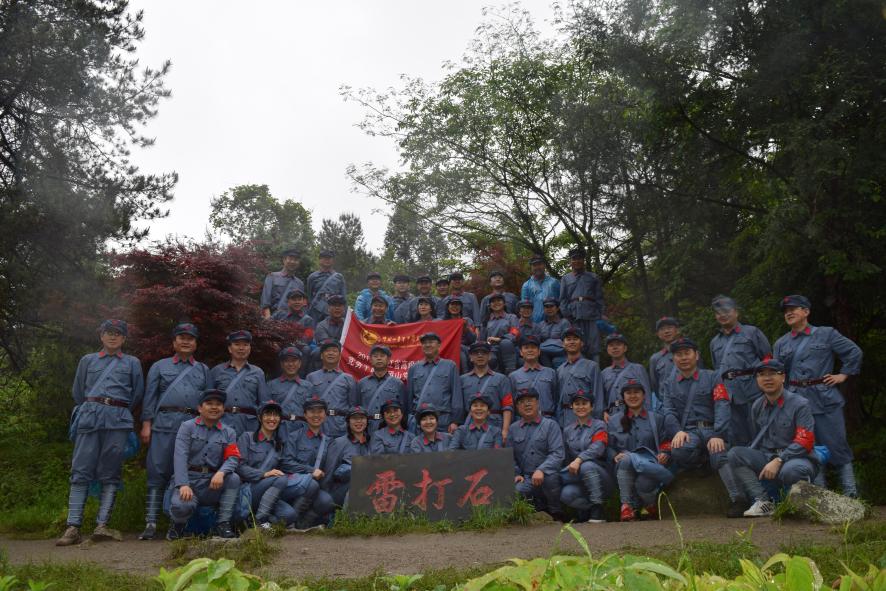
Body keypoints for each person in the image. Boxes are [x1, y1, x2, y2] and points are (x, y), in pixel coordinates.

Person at [58, 319, 145, 547]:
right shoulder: (87, 360)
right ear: (101, 336)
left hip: (118, 420)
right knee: (80, 470)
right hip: (89, 418)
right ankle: (73, 527)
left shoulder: (132, 363)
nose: (113, 336)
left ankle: (102, 525)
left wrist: (116, 408)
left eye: (118, 333)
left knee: (111, 471)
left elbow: (137, 394)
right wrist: (94, 406)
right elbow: (78, 392)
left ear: (124, 338)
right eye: (109, 332)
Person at [773, 294, 863, 497]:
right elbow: (779, 375)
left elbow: (854, 352)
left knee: (837, 445)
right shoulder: (781, 343)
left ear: (806, 311)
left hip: (825, 399)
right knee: (807, 447)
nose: (789, 313)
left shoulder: (826, 334)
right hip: (796, 401)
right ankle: (820, 495)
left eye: (793, 309)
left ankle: (851, 494)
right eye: (786, 311)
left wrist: (843, 375)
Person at [139, 322, 210, 541]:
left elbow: (208, 402)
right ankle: (151, 523)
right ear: (174, 342)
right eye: (182, 337)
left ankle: (176, 523)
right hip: (164, 425)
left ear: (196, 343)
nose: (186, 341)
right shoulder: (160, 366)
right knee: (157, 471)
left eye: (190, 338)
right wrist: (146, 424)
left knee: (185, 472)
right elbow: (150, 397)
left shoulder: (203, 370)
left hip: (192, 427)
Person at [660, 338, 745, 517]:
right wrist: (677, 431)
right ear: (673, 358)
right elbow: (668, 411)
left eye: (687, 353)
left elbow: (722, 404)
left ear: (696, 355)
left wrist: (718, 433)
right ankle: (702, 462)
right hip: (688, 431)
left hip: (712, 429)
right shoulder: (669, 384)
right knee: (679, 450)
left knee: (719, 452)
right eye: (679, 354)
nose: (684, 358)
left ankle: (738, 499)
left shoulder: (713, 376)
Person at [727, 358, 818, 517]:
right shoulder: (757, 406)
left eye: (772, 373)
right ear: (757, 380)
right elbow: (757, 438)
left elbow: (805, 441)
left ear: (783, 377)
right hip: (768, 457)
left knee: (791, 471)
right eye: (762, 374)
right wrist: (767, 460)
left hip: (797, 458)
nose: (767, 378)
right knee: (735, 454)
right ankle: (763, 501)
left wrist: (779, 460)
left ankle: (801, 501)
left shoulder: (800, 404)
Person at [166, 388, 241, 540]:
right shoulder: (187, 427)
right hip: (190, 481)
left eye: (218, 404)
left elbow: (233, 458)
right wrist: (183, 484)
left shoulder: (229, 432)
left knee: (233, 478)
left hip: (212, 483)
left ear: (223, 409)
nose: (214, 407)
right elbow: (180, 456)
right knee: (181, 506)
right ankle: (178, 524)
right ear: (200, 408)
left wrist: (221, 473)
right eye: (209, 403)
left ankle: (223, 523)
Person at [607, 380, 678, 522]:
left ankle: (648, 505)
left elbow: (666, 441)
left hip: (649, 466)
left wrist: (665, 453)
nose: (633, 396)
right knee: (627, 458)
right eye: (628, 393)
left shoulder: (656, 418)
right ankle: (627, 506)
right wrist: (614, 455)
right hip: (623, 467)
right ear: (623, 397)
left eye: (636, 392)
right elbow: (608, 446)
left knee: (643, 483)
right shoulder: (614, 421)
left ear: (644, 395)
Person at [709, 295, 771, 446]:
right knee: (738, 437)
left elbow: (768, 360)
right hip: (729, 396)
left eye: (726, 311)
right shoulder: (715, 342)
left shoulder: (752, 332)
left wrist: (767, 387)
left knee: (761, 432)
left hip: (753, 391)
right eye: (718, 313)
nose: (723, 315)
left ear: (736, 312)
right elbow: (717, 369)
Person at [507, 388, 565, 521]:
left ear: (538, 403)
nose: (527, 404)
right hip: (526, 477)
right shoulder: (513, 429)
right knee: (517, 491)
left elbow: (557, 453)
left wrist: (541, 469)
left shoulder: (551, 425)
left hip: (547, 475)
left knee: (550, 478)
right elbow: (510, 456)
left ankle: (556, 512)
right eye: (522, 402)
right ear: (517, 407)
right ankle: (534, 511)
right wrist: (517, 474)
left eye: (530, 400)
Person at [279, 396, 336, 530]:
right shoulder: (294, 436)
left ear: (325, 415)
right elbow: (286, 463)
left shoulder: (329, 441)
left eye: (320, 411)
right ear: (305, 414)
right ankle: (291, 523)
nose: (316, 415)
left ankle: (303, 523)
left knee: (327, 501)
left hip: (314, 487)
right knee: (311, 484)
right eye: (312, 411)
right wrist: (310, 471)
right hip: (293, 484)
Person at [236, 400, 295, 530]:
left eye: (276, 415)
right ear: (259, 417)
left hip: (268, 493)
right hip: (248, 490)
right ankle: (260, 520)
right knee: (281, 478)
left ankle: (253, 521)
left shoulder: (279, 445)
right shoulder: (247, 437)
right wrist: (264, 474)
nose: (272, 419)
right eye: (268, 414)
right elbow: (239, 467)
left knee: (289, 515)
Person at [559, 391, 612, 523]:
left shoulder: (600, 425)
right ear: (572, 407)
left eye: (584, 403)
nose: (580, 407)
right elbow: (566, 456)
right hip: (579, 477)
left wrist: (578, 460)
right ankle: (587, 509)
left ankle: (598, 509)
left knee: (586, 465)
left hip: (601, 476)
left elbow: (598, 448)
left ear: (592, 406)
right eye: (577, 404)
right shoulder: (567, 430)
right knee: (565, 494)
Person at [209, 330, 269, 436]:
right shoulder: (217, 371)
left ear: (249, 348)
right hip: (221, 422)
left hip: (249, 427)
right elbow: (207, 401)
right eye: (237, 344)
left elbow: (264, 403)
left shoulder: (258, 372)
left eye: (245, 345)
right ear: (230, 348)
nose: (241, 348)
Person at [406, 332, 463, 433]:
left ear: (439, 345)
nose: (427, 345)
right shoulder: (414, 368)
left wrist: (455, 421)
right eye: (424, 343)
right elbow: (409, 397)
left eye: (431, 342)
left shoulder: (450, 366)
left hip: (443, 419)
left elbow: (456, 395)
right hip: (420, 420)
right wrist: (410, 418)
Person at [304, 339, 358, 438]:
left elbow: (353, 406)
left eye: (334, 351)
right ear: (321, 355)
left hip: (341, 428)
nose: (331, 353)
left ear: (339, 356)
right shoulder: (311, 377)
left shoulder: (348, 378)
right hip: (317, 426)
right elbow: (307, 404)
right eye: (327, 351)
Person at [559, 247, 605, 360]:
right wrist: (567, 315)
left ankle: (595, 368)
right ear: (570, 261)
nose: (577, 261)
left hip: (592, 316)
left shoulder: (593, 277)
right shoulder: (565, 278)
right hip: (574, 317)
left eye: (579, 258)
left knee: (594, 348)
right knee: (577, 346)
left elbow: (599, 298)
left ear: (583, 260)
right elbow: (563, 299)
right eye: (574, 259)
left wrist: (600, 314)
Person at [460, 342, 513, 438]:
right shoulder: (462, 380)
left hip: (494, 425)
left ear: (489, 356)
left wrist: (505, 430)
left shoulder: (502, 379)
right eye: (476, 353)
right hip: (469, 425)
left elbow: (507, 406)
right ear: (471, 357)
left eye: (484, 352)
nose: (480, 355)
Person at [322, 406, 372, 507]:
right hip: (341, 490)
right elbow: (329, 472)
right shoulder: (339, 443)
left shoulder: (372, 442)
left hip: (367, 490)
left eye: (362, 418)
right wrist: (326, 498)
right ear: (348, 422)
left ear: (367, 421)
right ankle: (346, 517)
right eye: (354, 418)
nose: (359, 421)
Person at [556, 327, 604, 425]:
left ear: (581, 343)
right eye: (568, 339)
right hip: (564, 419)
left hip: (586, 417)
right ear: (563, 344)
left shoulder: (592, 366)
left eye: (575, 339)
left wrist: (595, 421)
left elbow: (598, 396)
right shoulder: (559, 370)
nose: (572, 342)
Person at [357, 344, 407, 432]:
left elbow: (403, 411)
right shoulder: (362, 383)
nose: (379, 358)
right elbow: (356, 408)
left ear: (388, 359)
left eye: (382, 356)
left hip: (389, 428)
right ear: (371, 360)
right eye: (375, 356)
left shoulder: (398, 384)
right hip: (366, 429)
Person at [600, 333, 650, 417]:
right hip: (612, 416)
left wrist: (646, 417)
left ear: (625, 348)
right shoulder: (604, 373)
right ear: (607, 350)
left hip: (634, 414)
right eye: (611, 345)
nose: (615, 348)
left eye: (618, 344)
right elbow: (601, 399)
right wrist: (604, 412)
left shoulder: (638, 369)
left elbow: (647, 396)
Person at [509, 335, 559, 419]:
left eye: (533, 347)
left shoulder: (551, 373)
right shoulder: (513, 376)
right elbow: (513, 404)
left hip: (547, 419)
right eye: (526, 348)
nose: (530, 350)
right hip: (523, 421)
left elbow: (556, 399)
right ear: (521, 352)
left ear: (539, 351)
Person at [267, 346, 310, 439]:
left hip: (301, 432)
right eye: (286, 361)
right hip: (277, 431)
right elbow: (265, 410)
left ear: (300, 363)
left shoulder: (308, 386)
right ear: (282, 364)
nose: (290, 364)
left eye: (294, 361)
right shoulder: (271, 385)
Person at [271, 289, 316, 367]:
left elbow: (307, 339)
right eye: (294, 299)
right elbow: (268, 326)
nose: (297, 302)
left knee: (306, 349)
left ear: (303, 302)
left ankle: (301, 374)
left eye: (299, 299)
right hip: (279, 345)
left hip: (298, 348)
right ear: (288, 302)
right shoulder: (279, 315)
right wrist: (273, 342)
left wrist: (289, 345)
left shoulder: (308, 320)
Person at [480, 293, 520, 374]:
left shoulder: (512, 317)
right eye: (493, 302)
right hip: (492, 348)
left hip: (509, 348)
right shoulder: (486, 320)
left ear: (504, 303)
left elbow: (515, 333)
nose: (496, 303)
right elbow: (481, 339)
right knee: (490, 358)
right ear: (490, 306)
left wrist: (499, 339)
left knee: (506, 343)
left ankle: (510, 372)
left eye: (499, 300)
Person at [260, 247, 304, 319]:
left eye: (295, 260)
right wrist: (268, 319)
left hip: (292, 320)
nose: (293, 262)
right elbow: (265, 301)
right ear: (284, 260)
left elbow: (301, 305)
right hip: (274, 318)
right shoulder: (272, 277)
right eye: (290, 259)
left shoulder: (300, 283)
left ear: (298, 263)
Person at [306, 250, 347, 322]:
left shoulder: (339, 277)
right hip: (316, 313)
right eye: (324, 258)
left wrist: (344, 315)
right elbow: (309, 297)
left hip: (333, 313)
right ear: (319, 260)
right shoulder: (312, 277)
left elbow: (343, 297)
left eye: (329, 258)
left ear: (333, 260)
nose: (327, 260)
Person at [310, 294, 347, 372]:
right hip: (328, 349)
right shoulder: (321, 325)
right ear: (328, 309)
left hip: (346, 350)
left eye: (340, 305)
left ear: (344, 309)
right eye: (334, 305)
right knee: (316, 352)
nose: (337, 308)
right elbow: (326, 344)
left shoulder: (348, 323)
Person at [521, 255, 560, 323]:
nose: (537, 267)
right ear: (531, 267)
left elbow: (560, 302)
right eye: (534, 265)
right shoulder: (526, 285)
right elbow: (524, 307)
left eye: (539, 264)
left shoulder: (554, 282)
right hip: (533, 324)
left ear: (544, 265)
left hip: (553, 323)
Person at [442, 297, 477, 371]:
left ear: (461, 307)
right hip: (448, 348)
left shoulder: (467, 320)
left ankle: (465, 373)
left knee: (459, 348)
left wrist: (466, 329)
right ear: (448, 307)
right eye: (452, 305)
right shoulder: (443, 322)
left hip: (465, 348)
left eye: (457, 305)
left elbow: (473, 340)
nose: (455, 307)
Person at [537, 298, 570, 368]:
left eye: (551, 306)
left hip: (561, 352)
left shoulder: (564, 323)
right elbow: (537, 340)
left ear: (557, 308)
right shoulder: (541, 324)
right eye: (546, 307)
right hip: (544, 355)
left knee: (556, 360)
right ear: (544, 309)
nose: (549, 309)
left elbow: (568, 340)